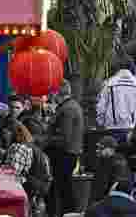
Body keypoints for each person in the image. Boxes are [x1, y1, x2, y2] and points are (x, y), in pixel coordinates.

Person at [47, 82, 84, 217]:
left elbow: (64, 137)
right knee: (64, 187)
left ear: (58, 93)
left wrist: (44, 140)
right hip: (69, 153)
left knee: (64, 188)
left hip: (64, 154)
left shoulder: (67, 109)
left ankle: (69, 213)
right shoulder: (71, 106)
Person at [96, 58, 136, 144]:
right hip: (132, 128)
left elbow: (100, 107)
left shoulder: (108, 83)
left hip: (111, 128)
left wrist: (101, 123)